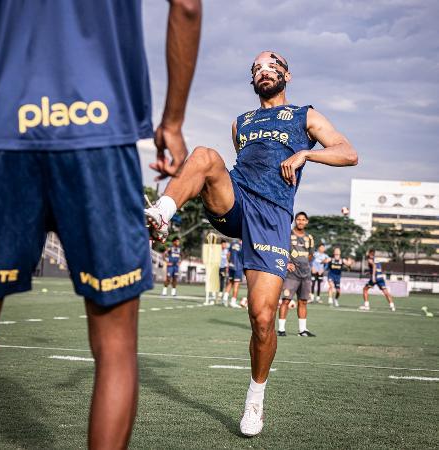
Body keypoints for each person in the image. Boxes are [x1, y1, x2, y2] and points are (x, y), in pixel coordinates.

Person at [0, 1, 202, 449]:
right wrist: (173, 121)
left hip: (2, 127)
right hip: (100, 131)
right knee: (115, 346)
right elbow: (186, 5)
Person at [145, 50, 358, 436]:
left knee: (262, 320)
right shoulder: (240, 123)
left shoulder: (304, 115)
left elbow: (348, 152)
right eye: (256, 68)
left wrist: (306, 152)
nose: (264, 71)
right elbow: (235, 167)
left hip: (273, 218)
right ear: (252, 80)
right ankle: (161, 213)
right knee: (207, 156)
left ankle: (255, 400)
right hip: (237, 201)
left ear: (287, 75)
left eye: (272, 66)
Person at [278, 212, 315, 337]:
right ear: (295, 221)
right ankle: (281, 329)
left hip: (306, 274)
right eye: (298, 219)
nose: (300, 221)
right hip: (291, 274)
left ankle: (302, 330)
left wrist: (303, 263)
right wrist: (289, 262)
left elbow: (310, 255)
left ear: (307, 222)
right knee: (286, 300)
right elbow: (282, 250)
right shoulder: (288, 235)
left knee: (303, 301)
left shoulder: (309, 237)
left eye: (303, 219)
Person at [222, 239, 243, 308]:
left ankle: (225, 298)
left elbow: (228, 254)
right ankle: (233, 302)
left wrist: (229, 263)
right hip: (238, 267)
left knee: (230, 282)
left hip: (231, 266)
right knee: (236, 285)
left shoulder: (233, 243)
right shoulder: (244, 245)